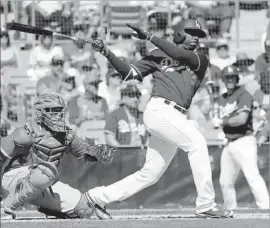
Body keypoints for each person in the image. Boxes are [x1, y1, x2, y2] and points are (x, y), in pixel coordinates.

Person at [88, 19, 233, 218]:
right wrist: (107, 52)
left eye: (198, 35)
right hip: (159, 111)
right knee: (197, 142)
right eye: (191, 33)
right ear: (180, 33)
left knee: (151, 174)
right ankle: (206, 203)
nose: (195, 38)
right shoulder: (157, 55)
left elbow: (177, 54)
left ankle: (96, 197)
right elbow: (129, 73)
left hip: (176, 117)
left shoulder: (199, 58)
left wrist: (148, 36)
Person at [0, 93, 115, 220]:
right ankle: (5, 207)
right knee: (46, 171)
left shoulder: (66, 136)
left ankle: (51, 208)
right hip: (13, 180)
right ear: (40, 112)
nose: (58, 115)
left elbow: (85, 151)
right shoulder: (25, 132)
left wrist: (97, 153)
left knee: (83, 210)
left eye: (60, 110)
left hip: (44, 183)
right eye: (53, 110)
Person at [213, 66, 269, 210]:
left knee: (252, 176)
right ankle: (230, 210)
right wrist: (216, 119)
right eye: (227, 77)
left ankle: (266, 208)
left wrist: (221, 122)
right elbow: (219, 118)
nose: (230, 79)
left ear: (237, 79)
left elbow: (242, 119)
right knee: (225, 181)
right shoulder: (222, 98)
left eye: (233, 77)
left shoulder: (244, 94)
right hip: (229, 143)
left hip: (244, 141)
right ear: (223, 80)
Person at [105, 83, 148, 147]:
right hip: (122, 154)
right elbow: (109, 139)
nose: (135, 99)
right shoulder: (114, 115)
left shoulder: (143, 116)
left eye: (137, 95)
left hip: (141, 154)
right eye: (131, 95)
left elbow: (149, 139)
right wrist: (122, 151)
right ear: (123, 97)